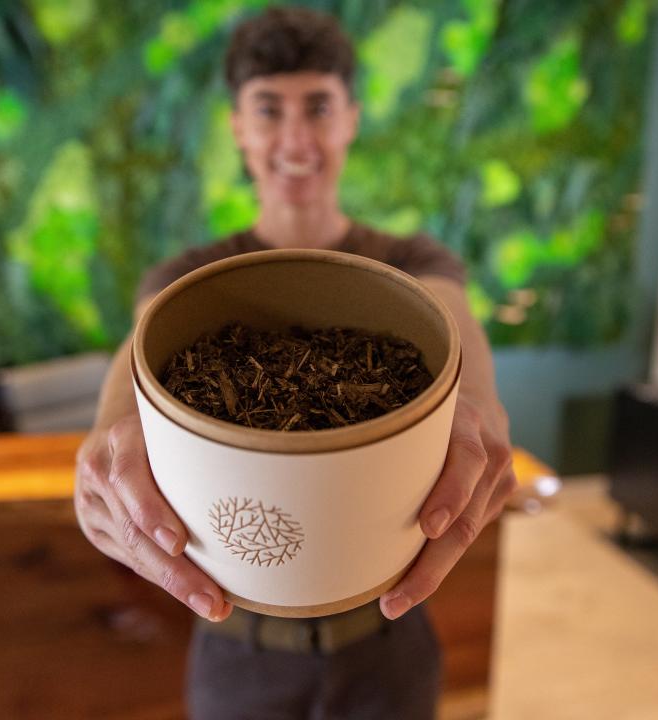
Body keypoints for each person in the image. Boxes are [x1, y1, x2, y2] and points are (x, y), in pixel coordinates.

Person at [74, 6, 517, 719]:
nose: (296, 138)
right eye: (269, 110)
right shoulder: (189, 277)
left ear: (351, 119)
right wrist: (106, 441)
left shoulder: (412, 264)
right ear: (238, 128)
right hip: (237, 648)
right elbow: (132, 376)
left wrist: (480, 415)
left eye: (318, 107)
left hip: (390, 642)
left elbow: (461, 355)